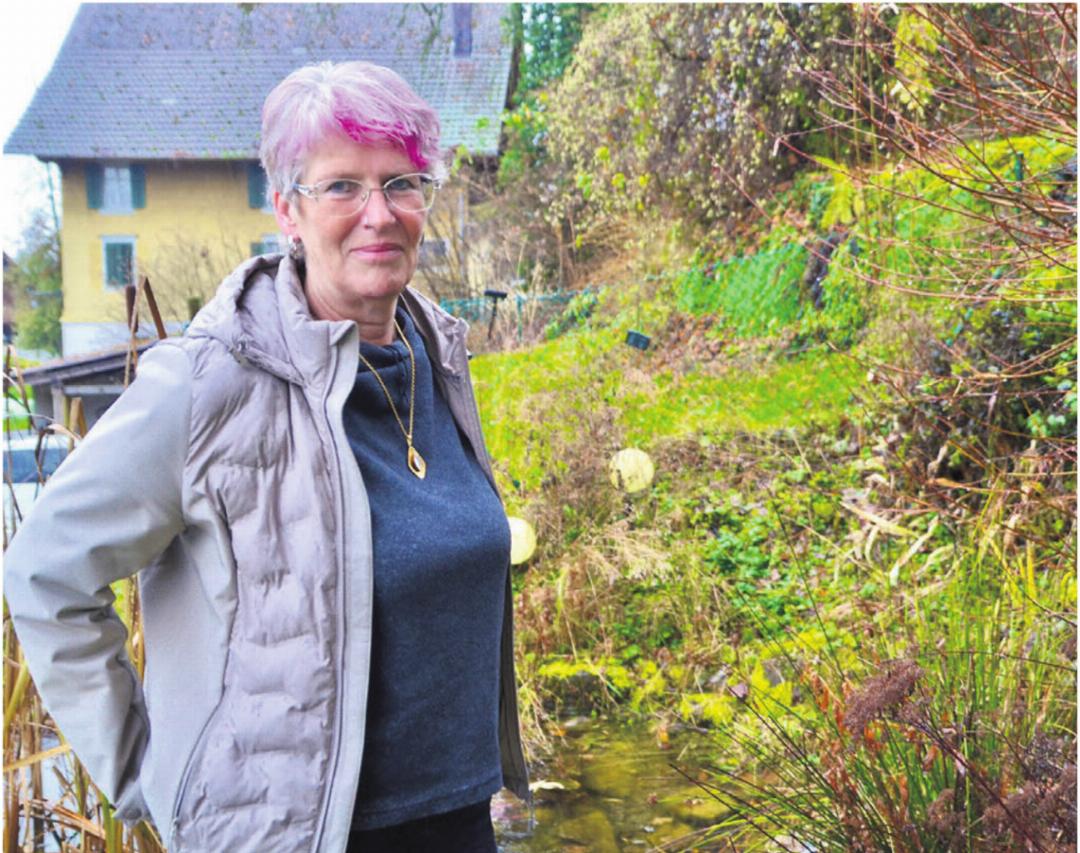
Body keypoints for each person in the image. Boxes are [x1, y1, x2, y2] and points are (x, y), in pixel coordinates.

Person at [4, 60, 530, 853]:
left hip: (456, 820)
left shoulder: (435, 354)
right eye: (342, 187)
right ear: (287, 208)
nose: (378, 214)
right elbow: (44, 570)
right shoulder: (208, 382)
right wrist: (150, 773)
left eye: (401, 183)